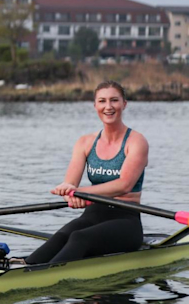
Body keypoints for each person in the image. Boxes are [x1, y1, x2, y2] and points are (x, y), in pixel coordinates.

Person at [25, 80, 148, 264]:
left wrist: (80, 193)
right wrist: (69, 194)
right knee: (62, 236)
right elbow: (70, 186)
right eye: (102, 101)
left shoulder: (136, 142)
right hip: (93, 215)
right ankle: (24, 267)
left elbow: (124, 185)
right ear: (95, 105)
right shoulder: (85, 142)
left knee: (79, 238)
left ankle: (44, 279)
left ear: (124, 104)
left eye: (114, 100)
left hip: (126, 220)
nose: (108, 106)